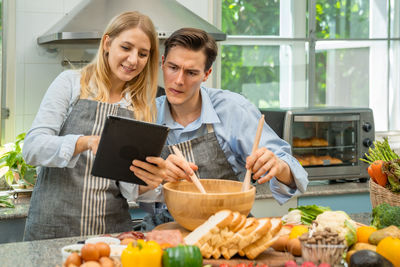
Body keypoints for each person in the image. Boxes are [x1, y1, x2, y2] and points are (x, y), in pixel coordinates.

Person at [137, 28, 309, 230]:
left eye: (191, 72)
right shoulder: (146, 114)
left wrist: (279, 167)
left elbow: (297, 175)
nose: (179, 80)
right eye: (173, 67)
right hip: (166, 227)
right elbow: (131, 187)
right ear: (163, 63)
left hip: (230, 225)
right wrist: (159, 176)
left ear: (206, 74)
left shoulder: (233, 109)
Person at [22, 11, 167, 240]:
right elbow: (32, 148)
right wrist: (84, 142)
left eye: (143, 54)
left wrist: (151, 181)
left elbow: (127, 188)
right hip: (52, 232)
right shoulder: (70, 83)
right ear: (107, 43)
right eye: (126, 48)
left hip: (111, 234)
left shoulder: (140, 107)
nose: (133, 60)